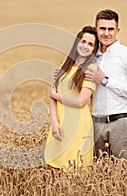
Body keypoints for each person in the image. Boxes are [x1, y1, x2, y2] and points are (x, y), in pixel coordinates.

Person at [52, 9, 127, 160]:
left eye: (111, 29)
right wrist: (63, 75)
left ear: (117, 30)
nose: (106, 33)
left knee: (125, 175)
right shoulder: (90, 57)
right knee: (99, 176)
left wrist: (105, 80)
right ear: (96, 29)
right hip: (93, 125)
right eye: (102, 28)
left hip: (120, 123)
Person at [44, 26, 99, 170]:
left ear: (94, 49)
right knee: (54, 169)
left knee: (72, 169)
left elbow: (81, 101)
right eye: (83, 41)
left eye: (90, 44)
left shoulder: (91, 69)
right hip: (60, 123)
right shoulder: (66, 64)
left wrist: (56, 95)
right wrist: (55, 122)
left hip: (77, 125)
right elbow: (52, 96)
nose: (85, 46)